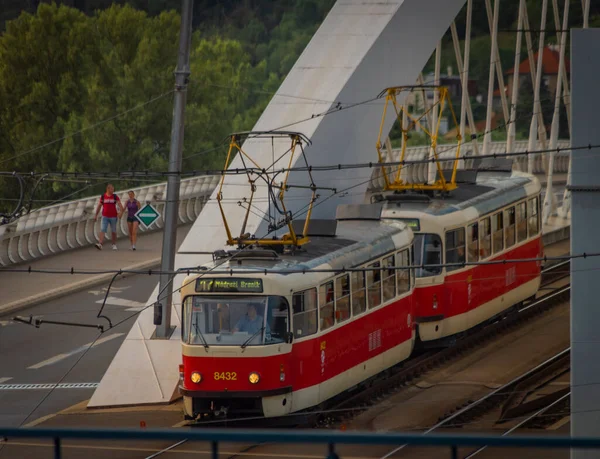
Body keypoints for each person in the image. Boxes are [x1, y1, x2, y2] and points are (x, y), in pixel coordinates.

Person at [94, 184, 124, 251]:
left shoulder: (115, 197)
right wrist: (96, 215)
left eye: (113, 189)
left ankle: (114, 244)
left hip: (113, 216)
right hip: (105, 216)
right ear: (108, 189)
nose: (113, 190)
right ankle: (100, 243)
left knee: (113, 230)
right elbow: (99, 206)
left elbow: (120, 205)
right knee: (103, 229)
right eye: (112, 189)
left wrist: (121, 213)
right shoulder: (103, 197)